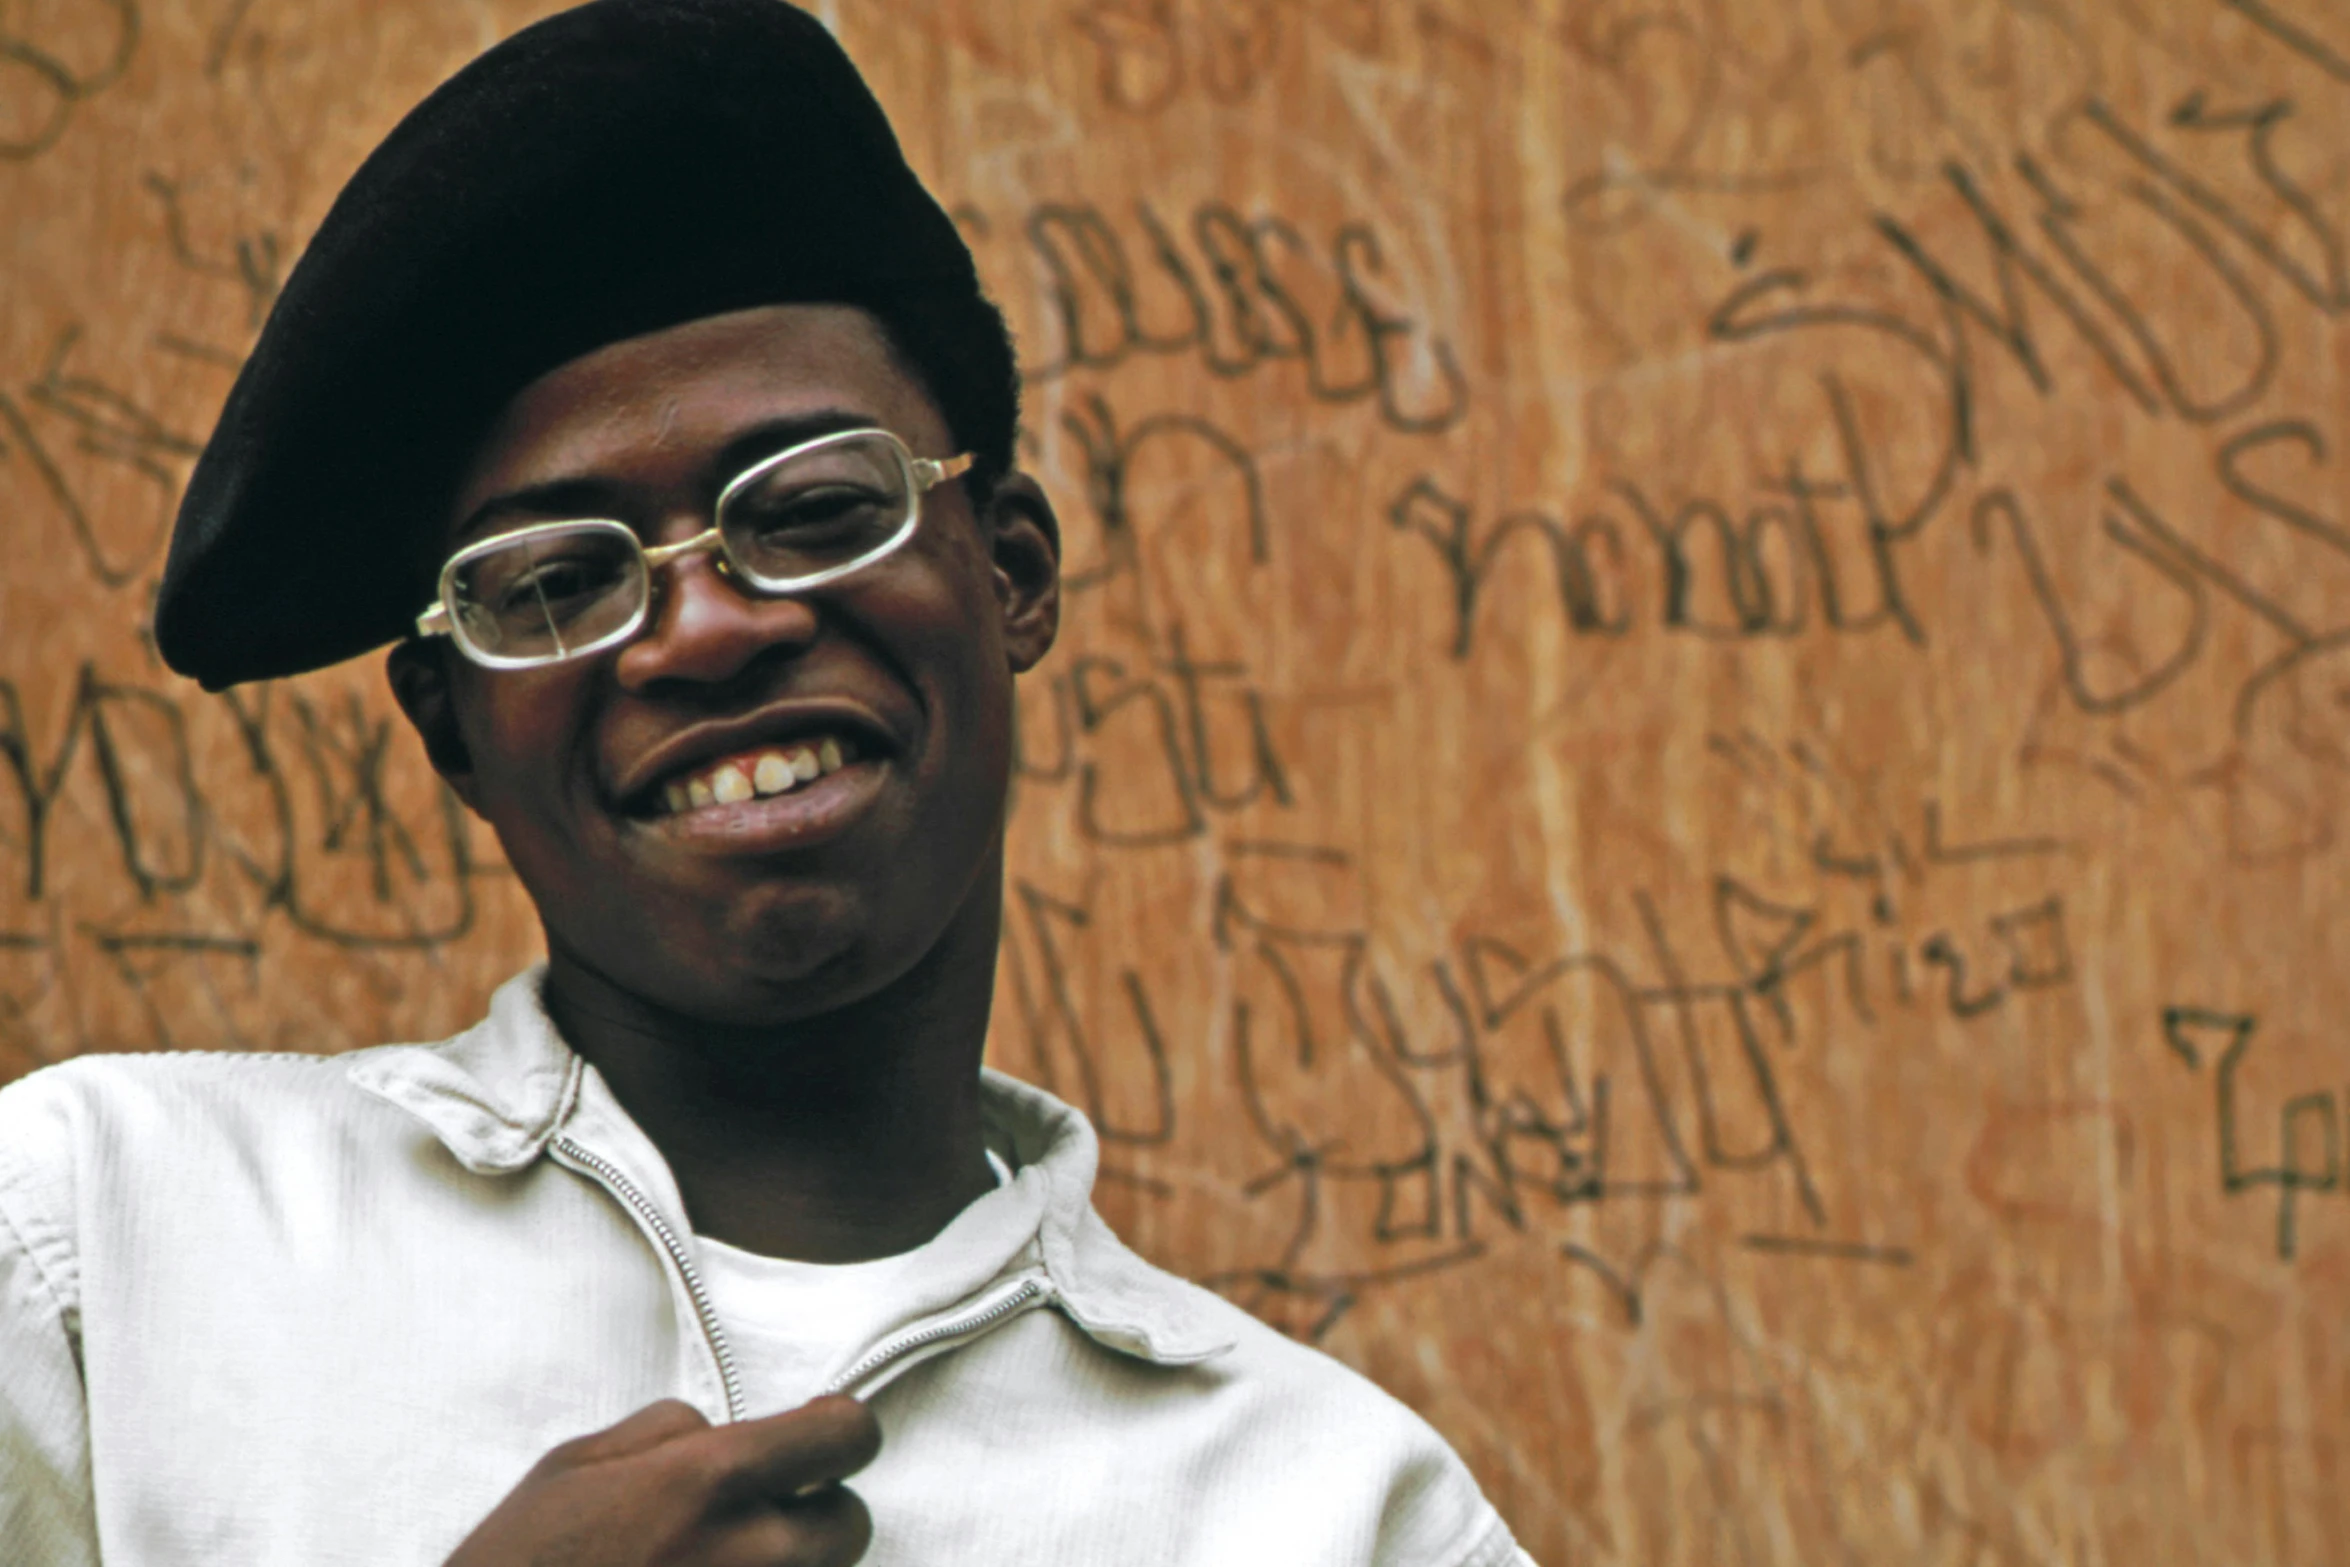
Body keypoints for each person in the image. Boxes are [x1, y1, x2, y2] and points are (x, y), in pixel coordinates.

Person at [0, 3, 1533, 1563]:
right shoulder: (102, 1244)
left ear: (1008, 572)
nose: (713, 627)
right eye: (553, 582)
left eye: (809, 508)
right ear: (452, 729)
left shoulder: (1334, 1508)